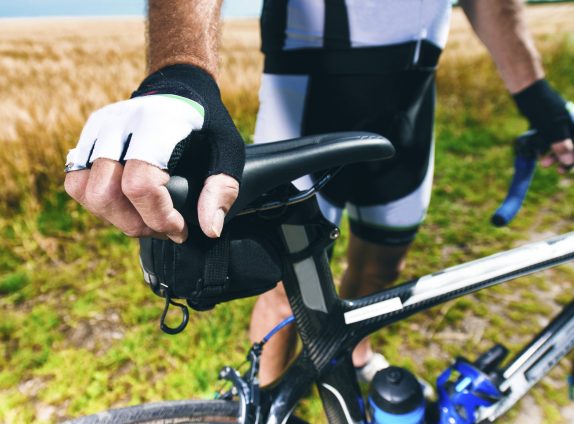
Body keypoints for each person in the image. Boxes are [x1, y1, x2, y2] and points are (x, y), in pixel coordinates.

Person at [64, 0, 574, 388]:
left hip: (412, 103)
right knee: (287, 287)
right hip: (308, 97)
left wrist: (537, 98)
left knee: (383, 263)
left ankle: (356, 352)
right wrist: (182, 71)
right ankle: (265, 396)